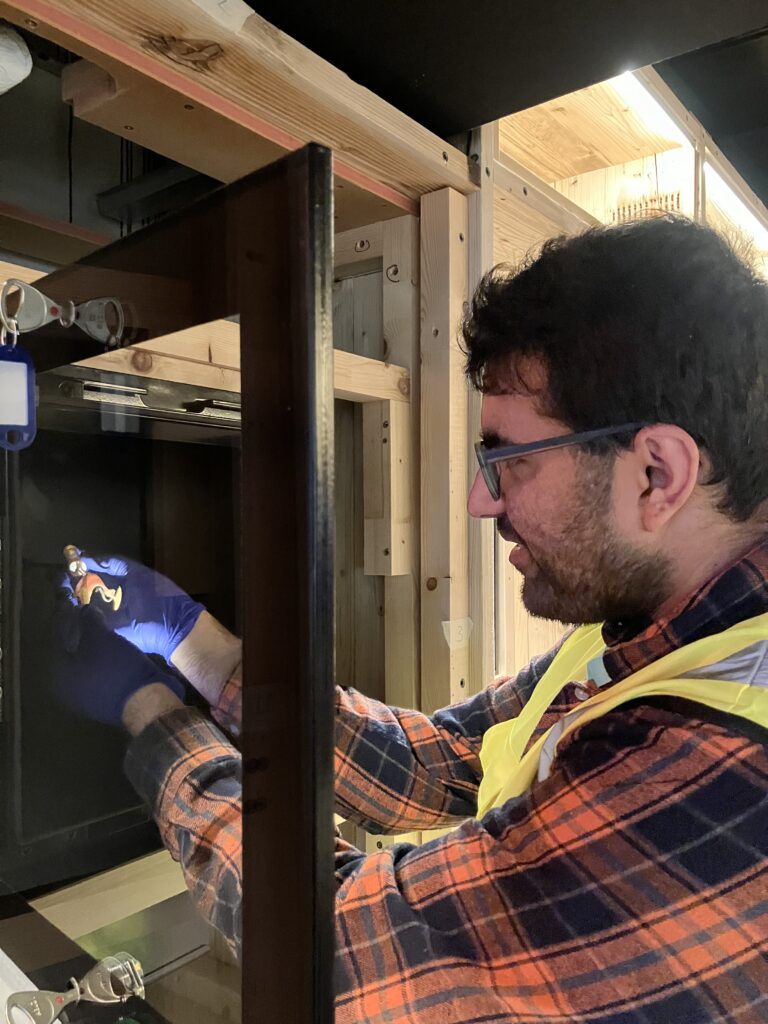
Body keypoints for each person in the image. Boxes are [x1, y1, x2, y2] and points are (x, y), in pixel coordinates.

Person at [57, 216, 768, 1023]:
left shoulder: (719, 764)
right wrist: (191, 639)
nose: (478, 500)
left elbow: (333, 947)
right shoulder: (650, 635)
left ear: (656, 472)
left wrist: (154, 721)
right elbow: (440, 761)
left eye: (509, 460)